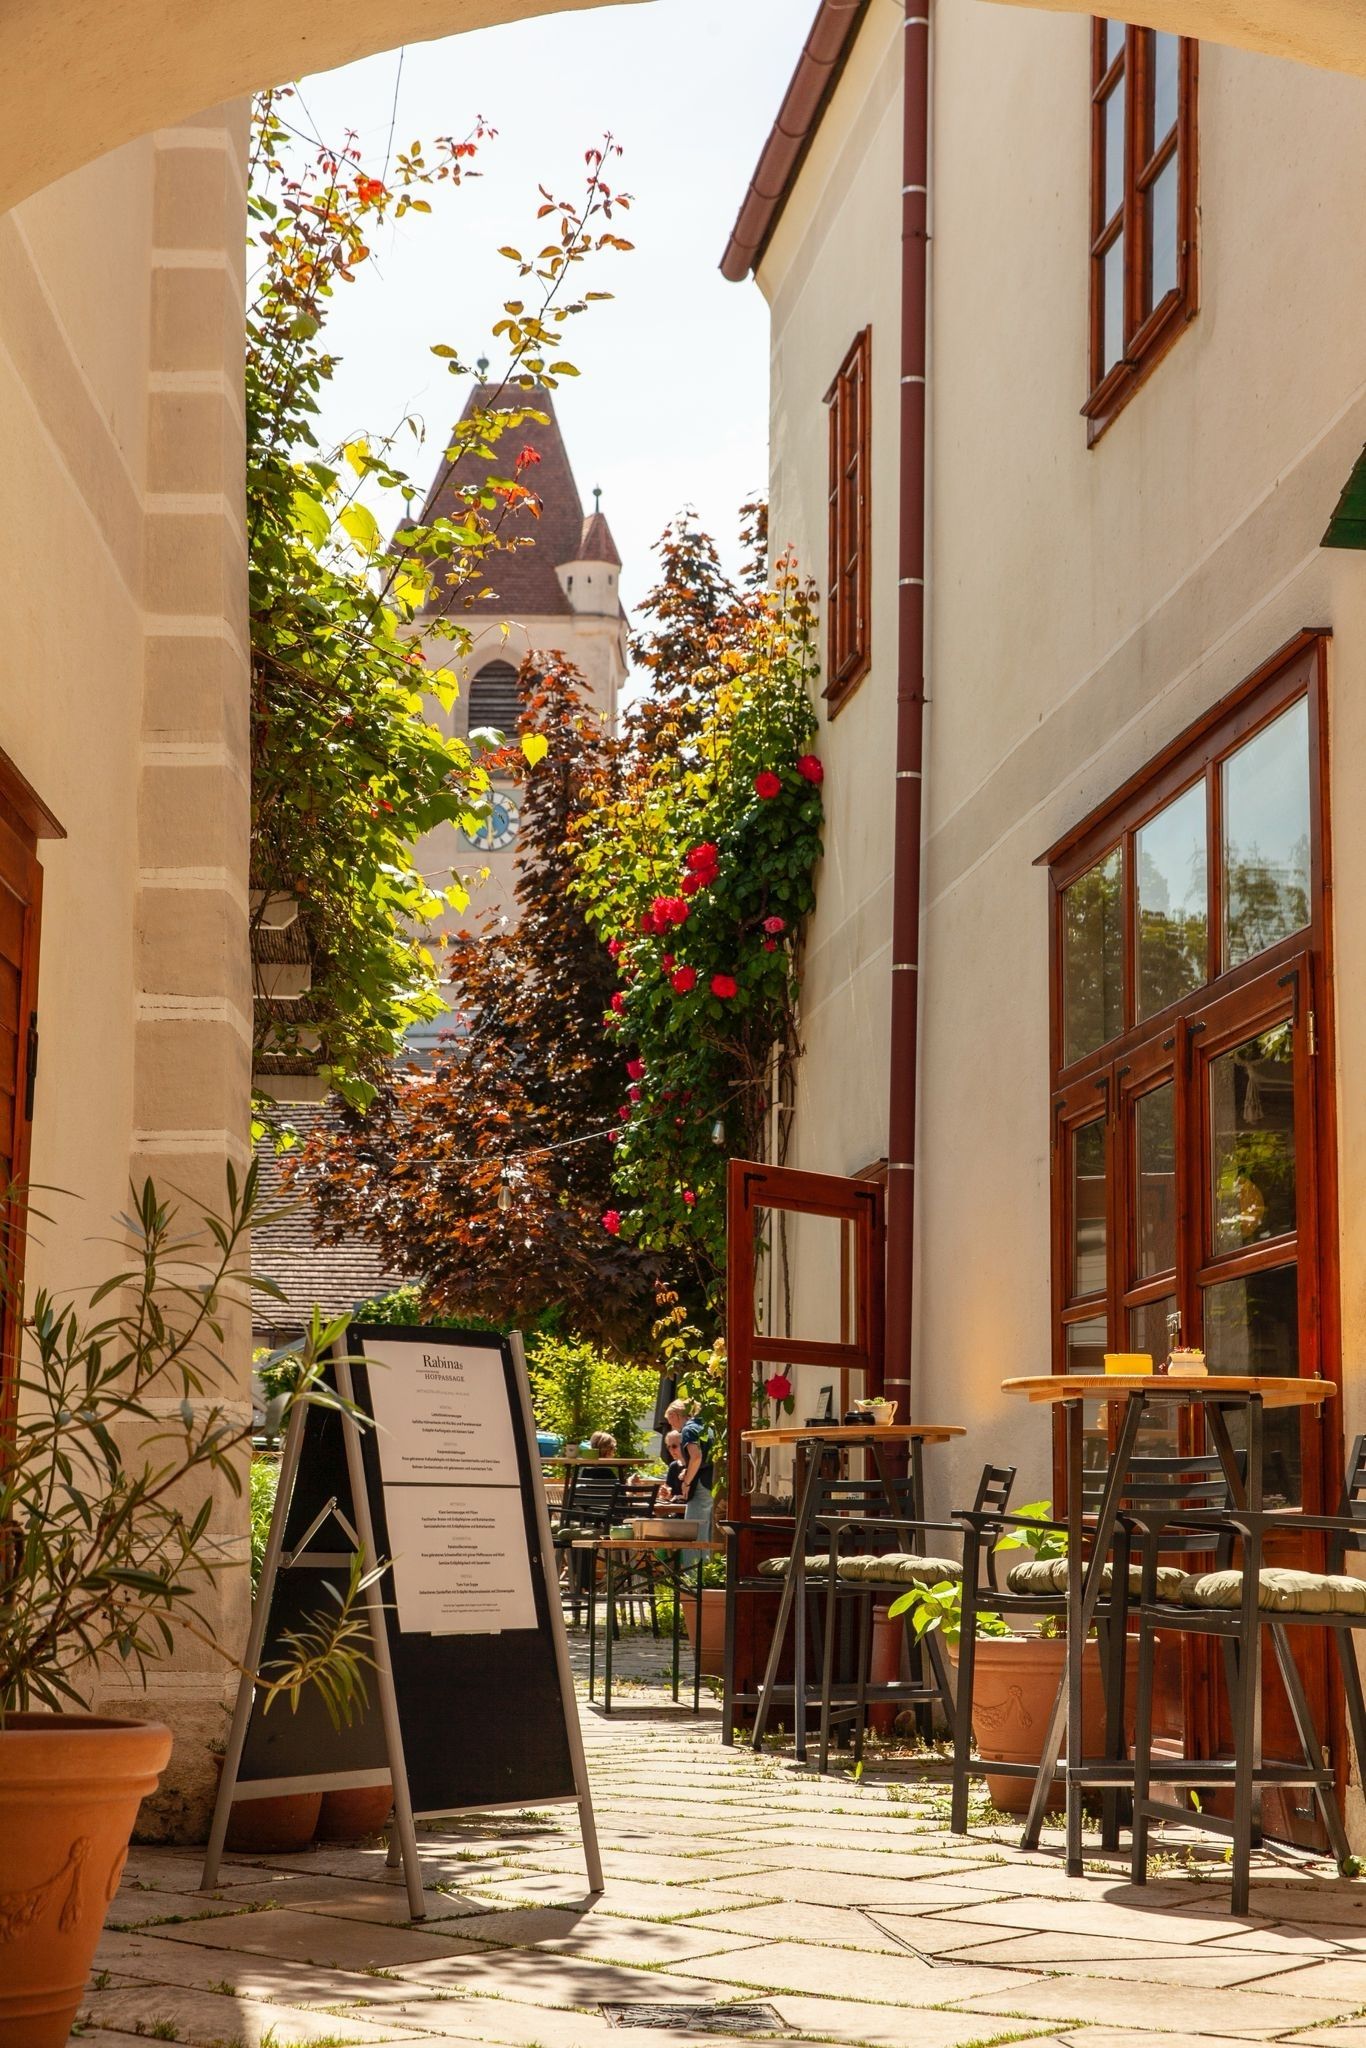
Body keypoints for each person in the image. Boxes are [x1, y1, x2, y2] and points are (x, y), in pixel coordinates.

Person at [665, 1398, 714, 1542]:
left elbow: (696, 1457)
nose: (671, 1425)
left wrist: (686, 1482)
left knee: (694, 1534)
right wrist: (688, 1471)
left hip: (700, 1485)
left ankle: (693, 1564)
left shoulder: (688, 1429)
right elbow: (705, 1458)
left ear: (675, 1415)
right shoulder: (705, 1427)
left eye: (669, 1420)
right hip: (711, 1482)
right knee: (707, 1532)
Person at [658, 1429, 685, 1503]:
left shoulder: (693, 1466)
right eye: (668, 1447)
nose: (671, 1450)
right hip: (676, 1510)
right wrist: (665, 1493)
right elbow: (669, 1491)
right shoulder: (673, 1466)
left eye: (674, 1446)